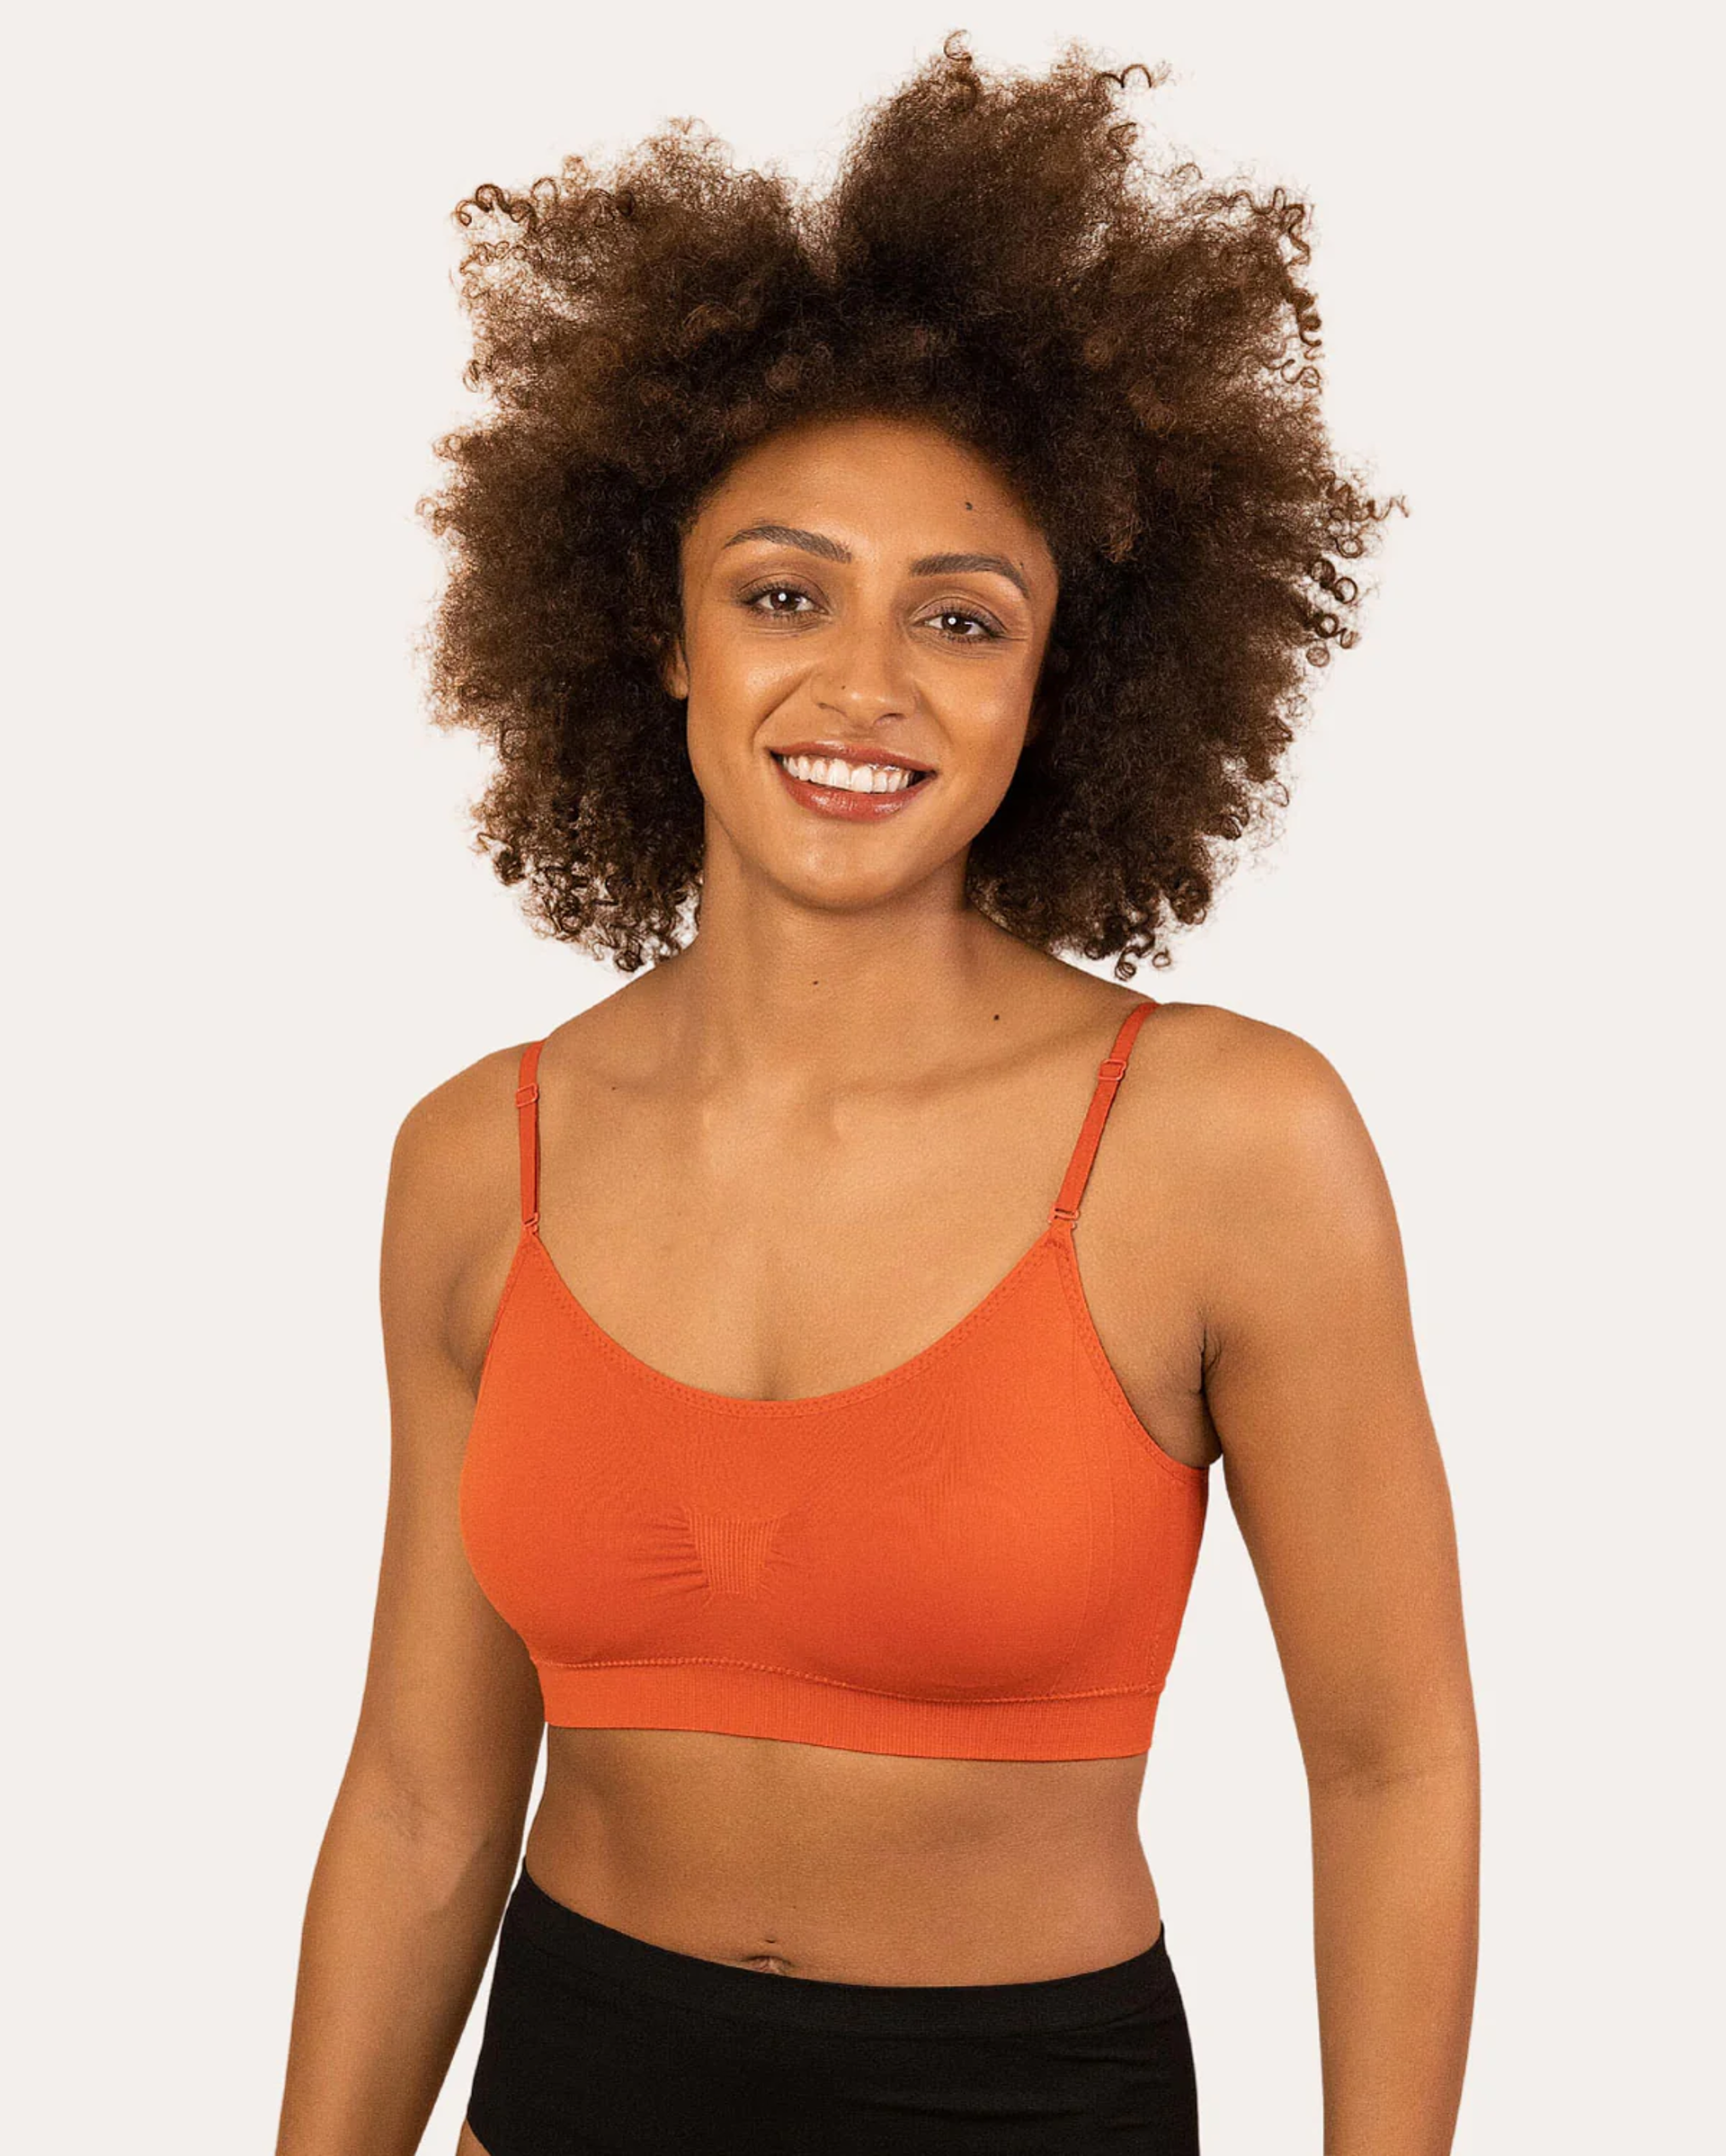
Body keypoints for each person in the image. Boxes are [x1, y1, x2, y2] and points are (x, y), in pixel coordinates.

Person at [275, 34, 1479, 2155]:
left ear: (1058, 678)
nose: (863, 685)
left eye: (960, 618)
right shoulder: (480, 1156)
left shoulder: (1225, 1143)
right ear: (661, 630)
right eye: (781, 594)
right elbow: (421, 1794)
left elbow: (1393, 1765)